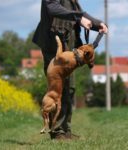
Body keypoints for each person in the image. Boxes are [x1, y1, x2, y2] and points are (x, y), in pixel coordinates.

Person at [32, 0, 108, 140]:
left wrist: (98, 24)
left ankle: (66, 130)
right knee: (57, 91)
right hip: (53, 45)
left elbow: (79, 13)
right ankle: (57, 132)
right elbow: (52, 8)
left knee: (69, 88)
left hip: (70, 44)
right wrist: (79, 18)